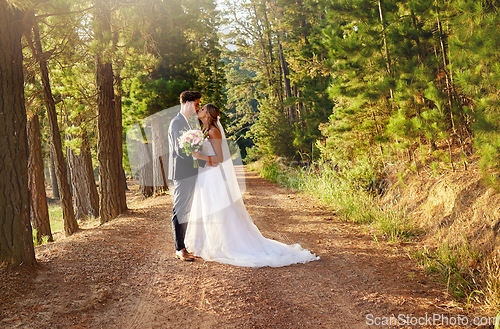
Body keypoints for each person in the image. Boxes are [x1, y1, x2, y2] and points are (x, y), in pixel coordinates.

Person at [185, 104, 319, 267]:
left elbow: (220, 159)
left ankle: (227, 243)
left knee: (219, 209)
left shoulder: (213, 131)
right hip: (205, 175)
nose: (199, 110)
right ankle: (205, 243)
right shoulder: (204, 131)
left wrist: (199, 156)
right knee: (207, 207)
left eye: (203, 109)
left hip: (213, 176)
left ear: (208, 114)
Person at [167, 91, 202, 262]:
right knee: (180, 210)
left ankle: (183, 246)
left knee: (186, 210)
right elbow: (179, 150)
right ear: (187, 103)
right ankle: (179, 248)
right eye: (196, 104)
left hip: (190, 173)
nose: (197, 108)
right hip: (181, 173)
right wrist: (196, 153)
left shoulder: (187, 123)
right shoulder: (176, 123)